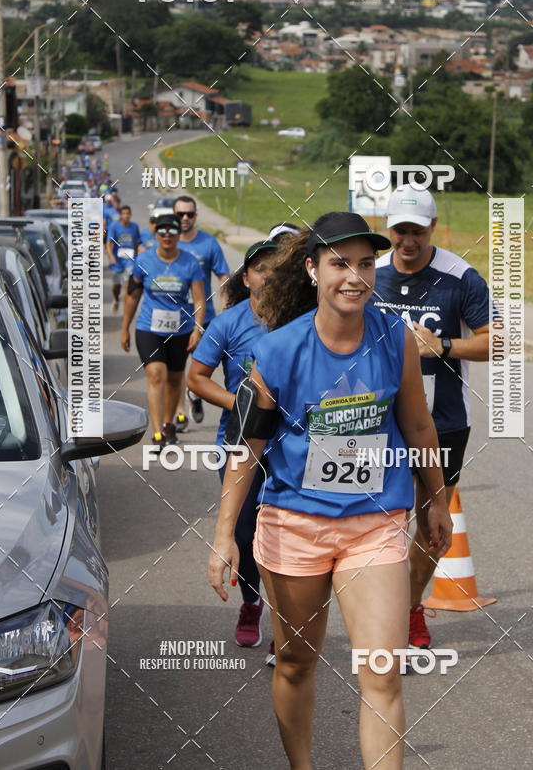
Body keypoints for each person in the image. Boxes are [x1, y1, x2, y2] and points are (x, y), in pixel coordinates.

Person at [208, 211, 452, 770]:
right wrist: (224, 535)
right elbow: (248, 449)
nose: (355, 276)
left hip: (374, 527)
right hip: (295, 526)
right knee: (295, 663)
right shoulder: (276, 352)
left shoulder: (396, 339)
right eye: (340, 263)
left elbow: (417, 427)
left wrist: (434, 500)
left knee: (382, 670)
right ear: (313, 269)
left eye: (367, 264)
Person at [372, 184, 490, 652]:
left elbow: (496, 341)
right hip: (377, 421)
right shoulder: (370, 274)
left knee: (433, 527)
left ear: (432, 228)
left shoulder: (460, 277)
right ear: (389, 229)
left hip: (441, 423)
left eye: (417, 231)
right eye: (400, 230)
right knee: (379, 524)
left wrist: (440, 346)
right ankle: (384, 612)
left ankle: (408, 606)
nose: (408, 240)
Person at [188, 240, 277, 649]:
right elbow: (196, 378)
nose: (269, 274)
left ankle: (290, 629)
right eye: (260, 268)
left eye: (277, 268)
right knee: (243, 535)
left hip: (290, 445)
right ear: (247, 277)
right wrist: (243, 404)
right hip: (238, 443)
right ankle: (251, 602)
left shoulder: (305, 321)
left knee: (284, 532)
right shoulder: (228, 323)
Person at [120, 214, 206, 450]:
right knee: (157, 375)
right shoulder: (144, 260)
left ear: (179, 235)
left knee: (175, 379)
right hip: (149, 328)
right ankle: (157, 432)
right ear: (156, 234)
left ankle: (168, 423)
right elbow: (132, 295)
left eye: (172, 232)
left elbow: (199, 299)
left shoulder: (190, 263)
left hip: (181, 331)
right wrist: (125, 327)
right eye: (162, 232)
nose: (167, 236)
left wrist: (197, 330)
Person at [173, 194, 230, 431]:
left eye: (190, 214)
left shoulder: (208, 244)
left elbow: (223, 276)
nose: (185, 218)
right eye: (180, 214)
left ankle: (194, 394)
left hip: (203, 319)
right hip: (173, 321)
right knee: (175, 371)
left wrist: (226, 307)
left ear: (196, 216)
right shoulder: (166, 242)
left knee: (204, 367)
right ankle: (179, 414)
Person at [106, 205, 141, 312]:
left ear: (130, 215)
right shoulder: (114, 226)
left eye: (128, 214)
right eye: (124, 214)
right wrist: (111, 256)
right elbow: (108, 243)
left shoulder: (134, 227)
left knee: (127, 285)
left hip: (130, 261)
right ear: (121, 215)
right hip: (118, 261)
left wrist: (138, 256)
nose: (126, 216)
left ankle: (127, 309)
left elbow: (137, 243)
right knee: (116, 286)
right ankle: (116, 299)